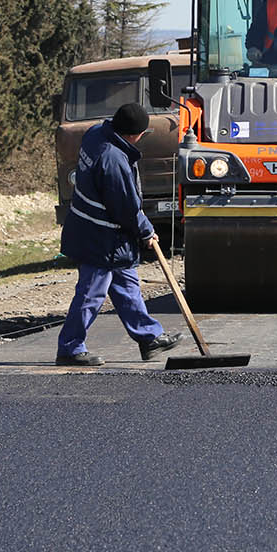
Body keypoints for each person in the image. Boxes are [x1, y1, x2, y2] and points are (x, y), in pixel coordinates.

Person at [56, 103, 179, 367]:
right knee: (91, 293)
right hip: (99, 237)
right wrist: (146, 231)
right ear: (135, 135)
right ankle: (69, 348)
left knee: (127, 286)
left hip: (101, 232)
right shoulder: (113, 160)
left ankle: (149, 338)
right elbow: (126, 207)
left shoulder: (96, 133)